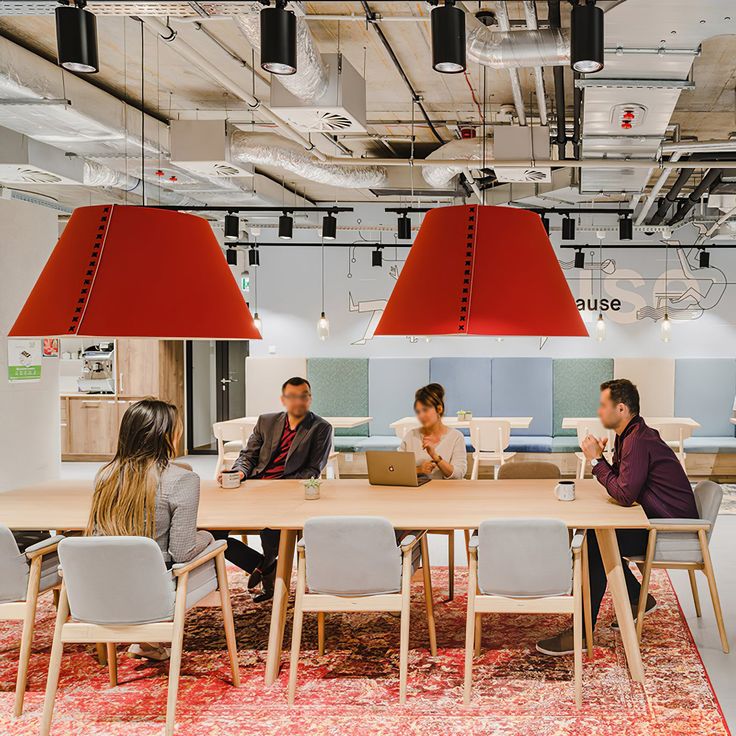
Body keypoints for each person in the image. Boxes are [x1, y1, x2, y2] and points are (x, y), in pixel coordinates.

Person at [537, 378, 698, 656]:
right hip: (658, 519)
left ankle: (583, 632)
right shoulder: (630, 435)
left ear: (621, 409)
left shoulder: (638, 439)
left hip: (671, 529)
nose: (599, 411)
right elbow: (628, 483)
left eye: (603, 406)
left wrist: (597, 461)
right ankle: (637, 597)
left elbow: (624, 494)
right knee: (597, 537)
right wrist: (605, 460)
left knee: (595, 543)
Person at [87, 398, 213, 661]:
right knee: (215, 548)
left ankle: (145, 643)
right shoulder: (181, 479)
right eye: (177, 428)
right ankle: (148, 640)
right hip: (156, 590)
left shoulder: (105, 475)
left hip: (101, 586)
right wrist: (209, 537)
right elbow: (182, 552)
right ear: (165, 436)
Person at [212, 377, 333, 602]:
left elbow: (312, 470)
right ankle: (261, 565)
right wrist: (238, 473)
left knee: (272, 528)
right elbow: (248, 456)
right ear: (283, 399)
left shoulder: (321, 428)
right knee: (214, 533)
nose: (299, 401)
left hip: (286, 494)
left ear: (310, 398)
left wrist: (275, 488)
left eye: (304, 395)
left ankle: (271, 577)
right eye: (293, 396)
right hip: (253, 489)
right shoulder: (266, 422)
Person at [400, 383, 467, 480]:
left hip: (448, 492)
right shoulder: (411, 436)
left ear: (439, 409)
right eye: (418, 412)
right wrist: (419, 470)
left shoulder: (456, 437)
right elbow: (398, 470)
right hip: (418, 493)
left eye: (425, 410)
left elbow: (458, 474)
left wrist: (435, 457)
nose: (421, 416)